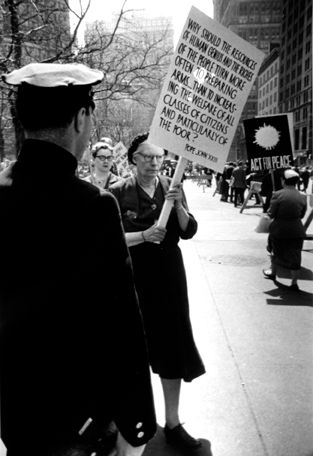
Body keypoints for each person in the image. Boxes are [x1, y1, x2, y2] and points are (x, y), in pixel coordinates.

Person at [0, 63, 156, 456]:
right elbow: (121, 320)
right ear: (81, 117)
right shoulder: (93, 205)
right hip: (80, 416)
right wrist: (135, 421)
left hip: (13, 408)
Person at [110, 132, 205, 451]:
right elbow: (108, 239)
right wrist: (143, 236)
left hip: (168, 276)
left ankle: (173, 421)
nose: (153, 162)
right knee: (129, 349)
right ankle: (128, 421)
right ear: (133, 159)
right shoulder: (116, 192)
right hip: (133, 276)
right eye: (146, 156)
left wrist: (177, 205)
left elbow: (188, 230)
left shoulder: (172, 187)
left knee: (171, 347)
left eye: (159, 156)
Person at [263, 169, 307, 291]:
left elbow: (271, 213)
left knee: (275, 251)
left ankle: (273, 272)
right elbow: (302, 214)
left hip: (279, 229)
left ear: (283, 180)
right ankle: (294, 282)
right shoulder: (303, 195)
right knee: (295, 255)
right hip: (296, 229)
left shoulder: (277, 194)